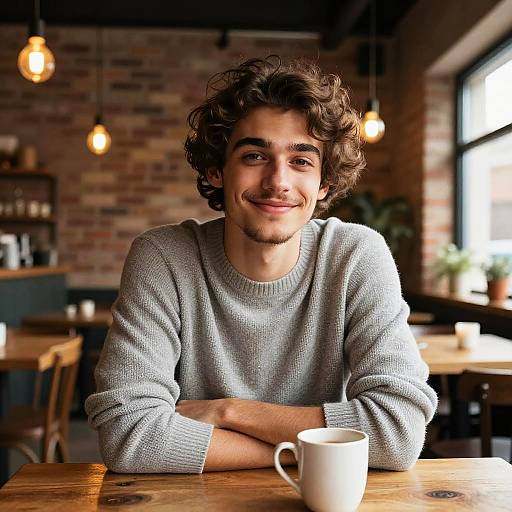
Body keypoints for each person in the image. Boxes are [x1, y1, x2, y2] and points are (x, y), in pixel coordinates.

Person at [85, 56, 437, 474]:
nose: (278, 182)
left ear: (323, 183)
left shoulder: (356, 255)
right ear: (217, 170)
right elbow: (130, 437)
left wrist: (230, 412)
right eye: (255, 156)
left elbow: (397, 434)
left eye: (301, 160)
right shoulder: (163, 257)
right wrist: (321, 451)